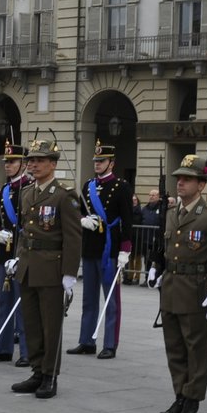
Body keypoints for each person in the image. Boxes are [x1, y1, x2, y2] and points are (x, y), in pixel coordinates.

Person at [147, 153, 207, 413]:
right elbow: (164, 248)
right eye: (179, 179)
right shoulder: (172, 214)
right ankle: (180, 395)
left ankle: (192, 401)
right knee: (174, 347)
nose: (181, 183)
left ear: (201, 184)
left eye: (188, 179)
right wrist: (155, 267)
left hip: (196, 288)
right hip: (172, 286)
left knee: (195, 348)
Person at [7, 138, 81, 399]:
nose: (33, 165)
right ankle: (37, 370)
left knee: (51, 326)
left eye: (39, 160)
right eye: (31, 160)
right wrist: (17, 258)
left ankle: (50, 375)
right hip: (27, 266)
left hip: (51, 269)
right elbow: (25, 231)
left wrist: (70, 272)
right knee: (32, 324)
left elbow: (73, 237)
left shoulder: (64, 195)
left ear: (53, 163)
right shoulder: (27, 192)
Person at [71, 141, 134, 359]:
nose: (97, 164)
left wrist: (125, 249)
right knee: (89, 298)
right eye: (96, 161)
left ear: (112, 163)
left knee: (111, 300)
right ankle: (86, 340)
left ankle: (109, 344)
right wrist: (83, 220)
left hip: (110, 250)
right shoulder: (87, 186)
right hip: (90, 247)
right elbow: (77, 211)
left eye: (102, 161)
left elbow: (127, 220)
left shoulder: (121, 186)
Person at [0, 141, 29, 365]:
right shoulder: (5, 191)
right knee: (4, 301)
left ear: (23, 164)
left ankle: (27, 352)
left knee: (23, 303)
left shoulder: (30, 188)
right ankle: (2, 348)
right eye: (7, 162)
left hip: (23, 253)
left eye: (12, 162)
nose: (8, 166)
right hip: (5, 253)